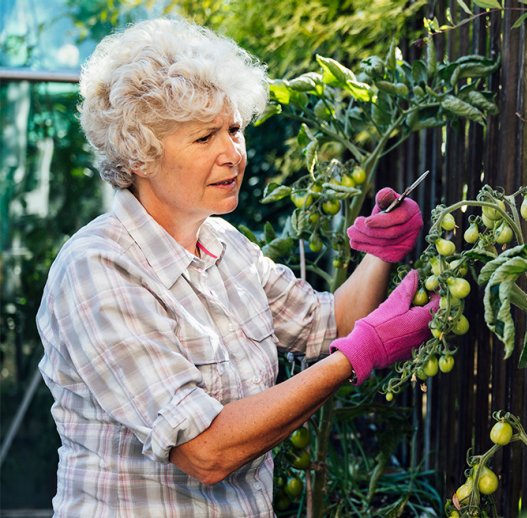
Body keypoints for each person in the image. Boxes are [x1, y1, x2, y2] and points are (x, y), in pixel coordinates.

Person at [36, 17, 437, 516]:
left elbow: (328, 323)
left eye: (234, 129)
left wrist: (381, 250)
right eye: (204, 138)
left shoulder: (225, 245)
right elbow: (205, 451)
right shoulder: (98, 270)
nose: (233, 155)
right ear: (141, 156)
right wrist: (355, 357)